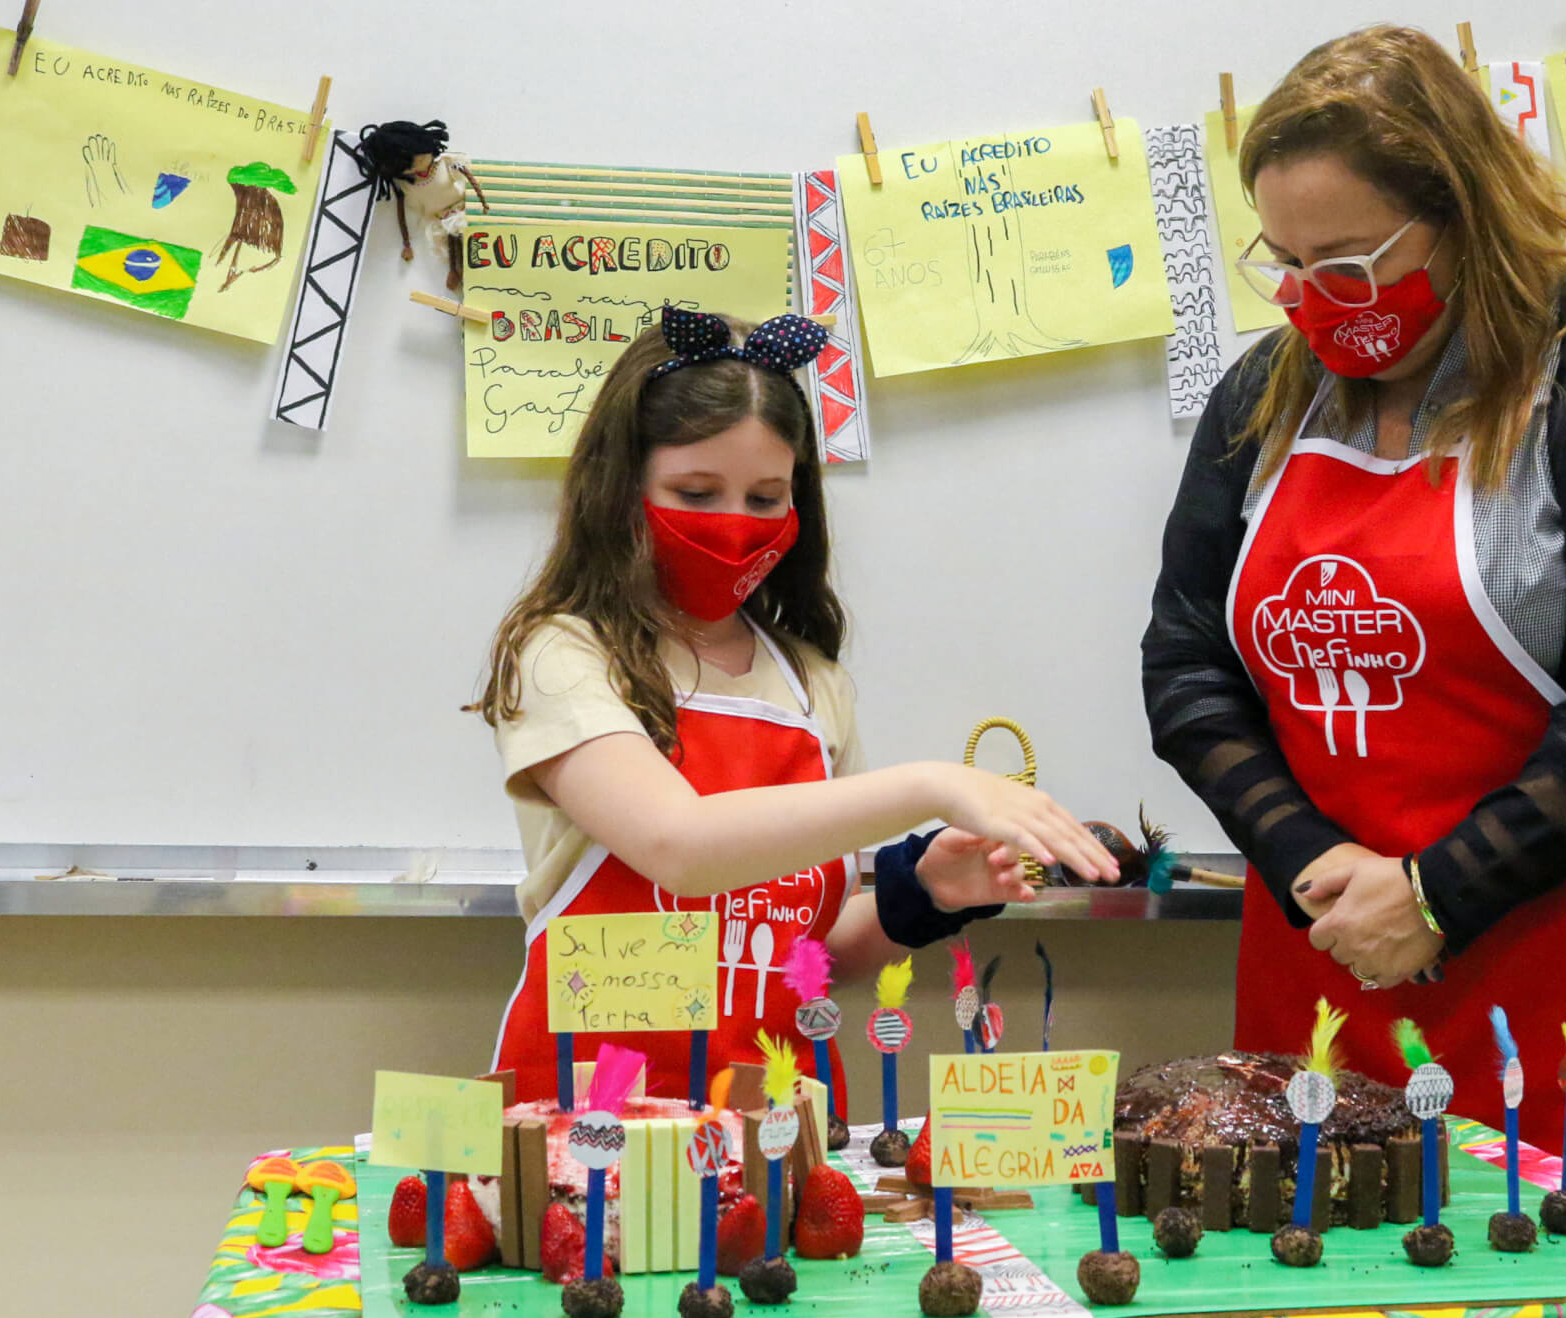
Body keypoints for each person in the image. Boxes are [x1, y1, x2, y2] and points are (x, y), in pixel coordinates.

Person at [1141, 27, 1566, 1237]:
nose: (1312, 300)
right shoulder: (1263, 394)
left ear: (1461, 212)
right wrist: (1309, 864)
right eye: (1285, 263)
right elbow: (1184, 663)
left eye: (1349, 265)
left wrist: (1436, 893)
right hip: (1322, 954)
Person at [475, 306, 1119, 1111]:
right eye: (695, 492)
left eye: (765, 496)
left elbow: (807, 955)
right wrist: (931, 784)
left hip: (774, 1117)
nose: (733, 526)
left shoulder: (813, 684)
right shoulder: (564, 654)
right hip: (592, 1120)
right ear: (623, 485)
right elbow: (681, 846)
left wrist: (922, 889)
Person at [352, 119, 489, 292]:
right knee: (453, 240)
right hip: (441, 218)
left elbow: (469, 176)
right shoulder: (407, 186)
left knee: (466, 236)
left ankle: (473, 272)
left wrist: (483, 201)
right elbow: (400, 210)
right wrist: (406, 243)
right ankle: (458, 272)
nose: (416, 166)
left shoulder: (445, 164)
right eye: (407, 165)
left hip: (463, 207)